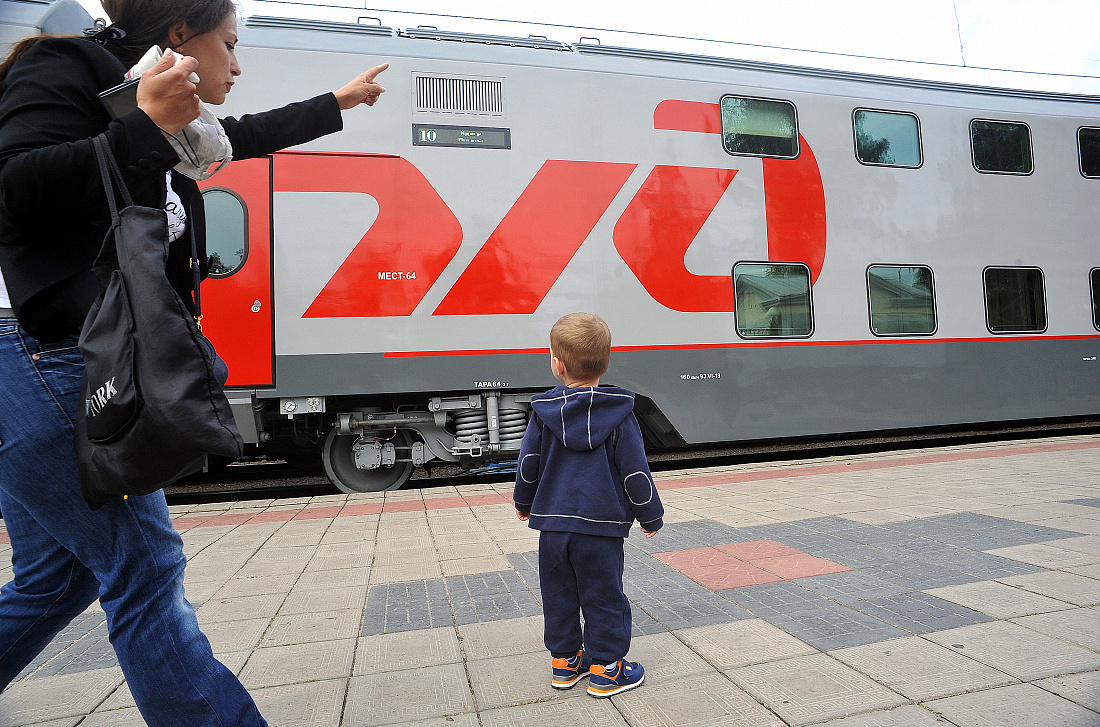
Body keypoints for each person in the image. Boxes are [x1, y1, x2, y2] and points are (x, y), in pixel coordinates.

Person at [0, 0, 388, 722]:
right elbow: (13, 194)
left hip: (51, 360)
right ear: (180, 34)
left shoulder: (176, 123)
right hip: (46, 355)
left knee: (54, 580)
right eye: (230, 46)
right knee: (146, 572)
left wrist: (337, 103)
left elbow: (241, 135)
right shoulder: (67, 67)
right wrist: (145, 126)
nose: (238, 66)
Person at [513, 312, 664, 698]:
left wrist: (523, 501)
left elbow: (529, 464)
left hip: (553, 529)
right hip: (601, 529)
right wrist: (650, 514)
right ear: (606, 361)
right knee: (604, 595)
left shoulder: (543, 414)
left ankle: (565, 663)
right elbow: (634, 471)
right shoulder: (621, 414)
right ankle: (607, 669)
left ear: (557, 364)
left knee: (559, 594)